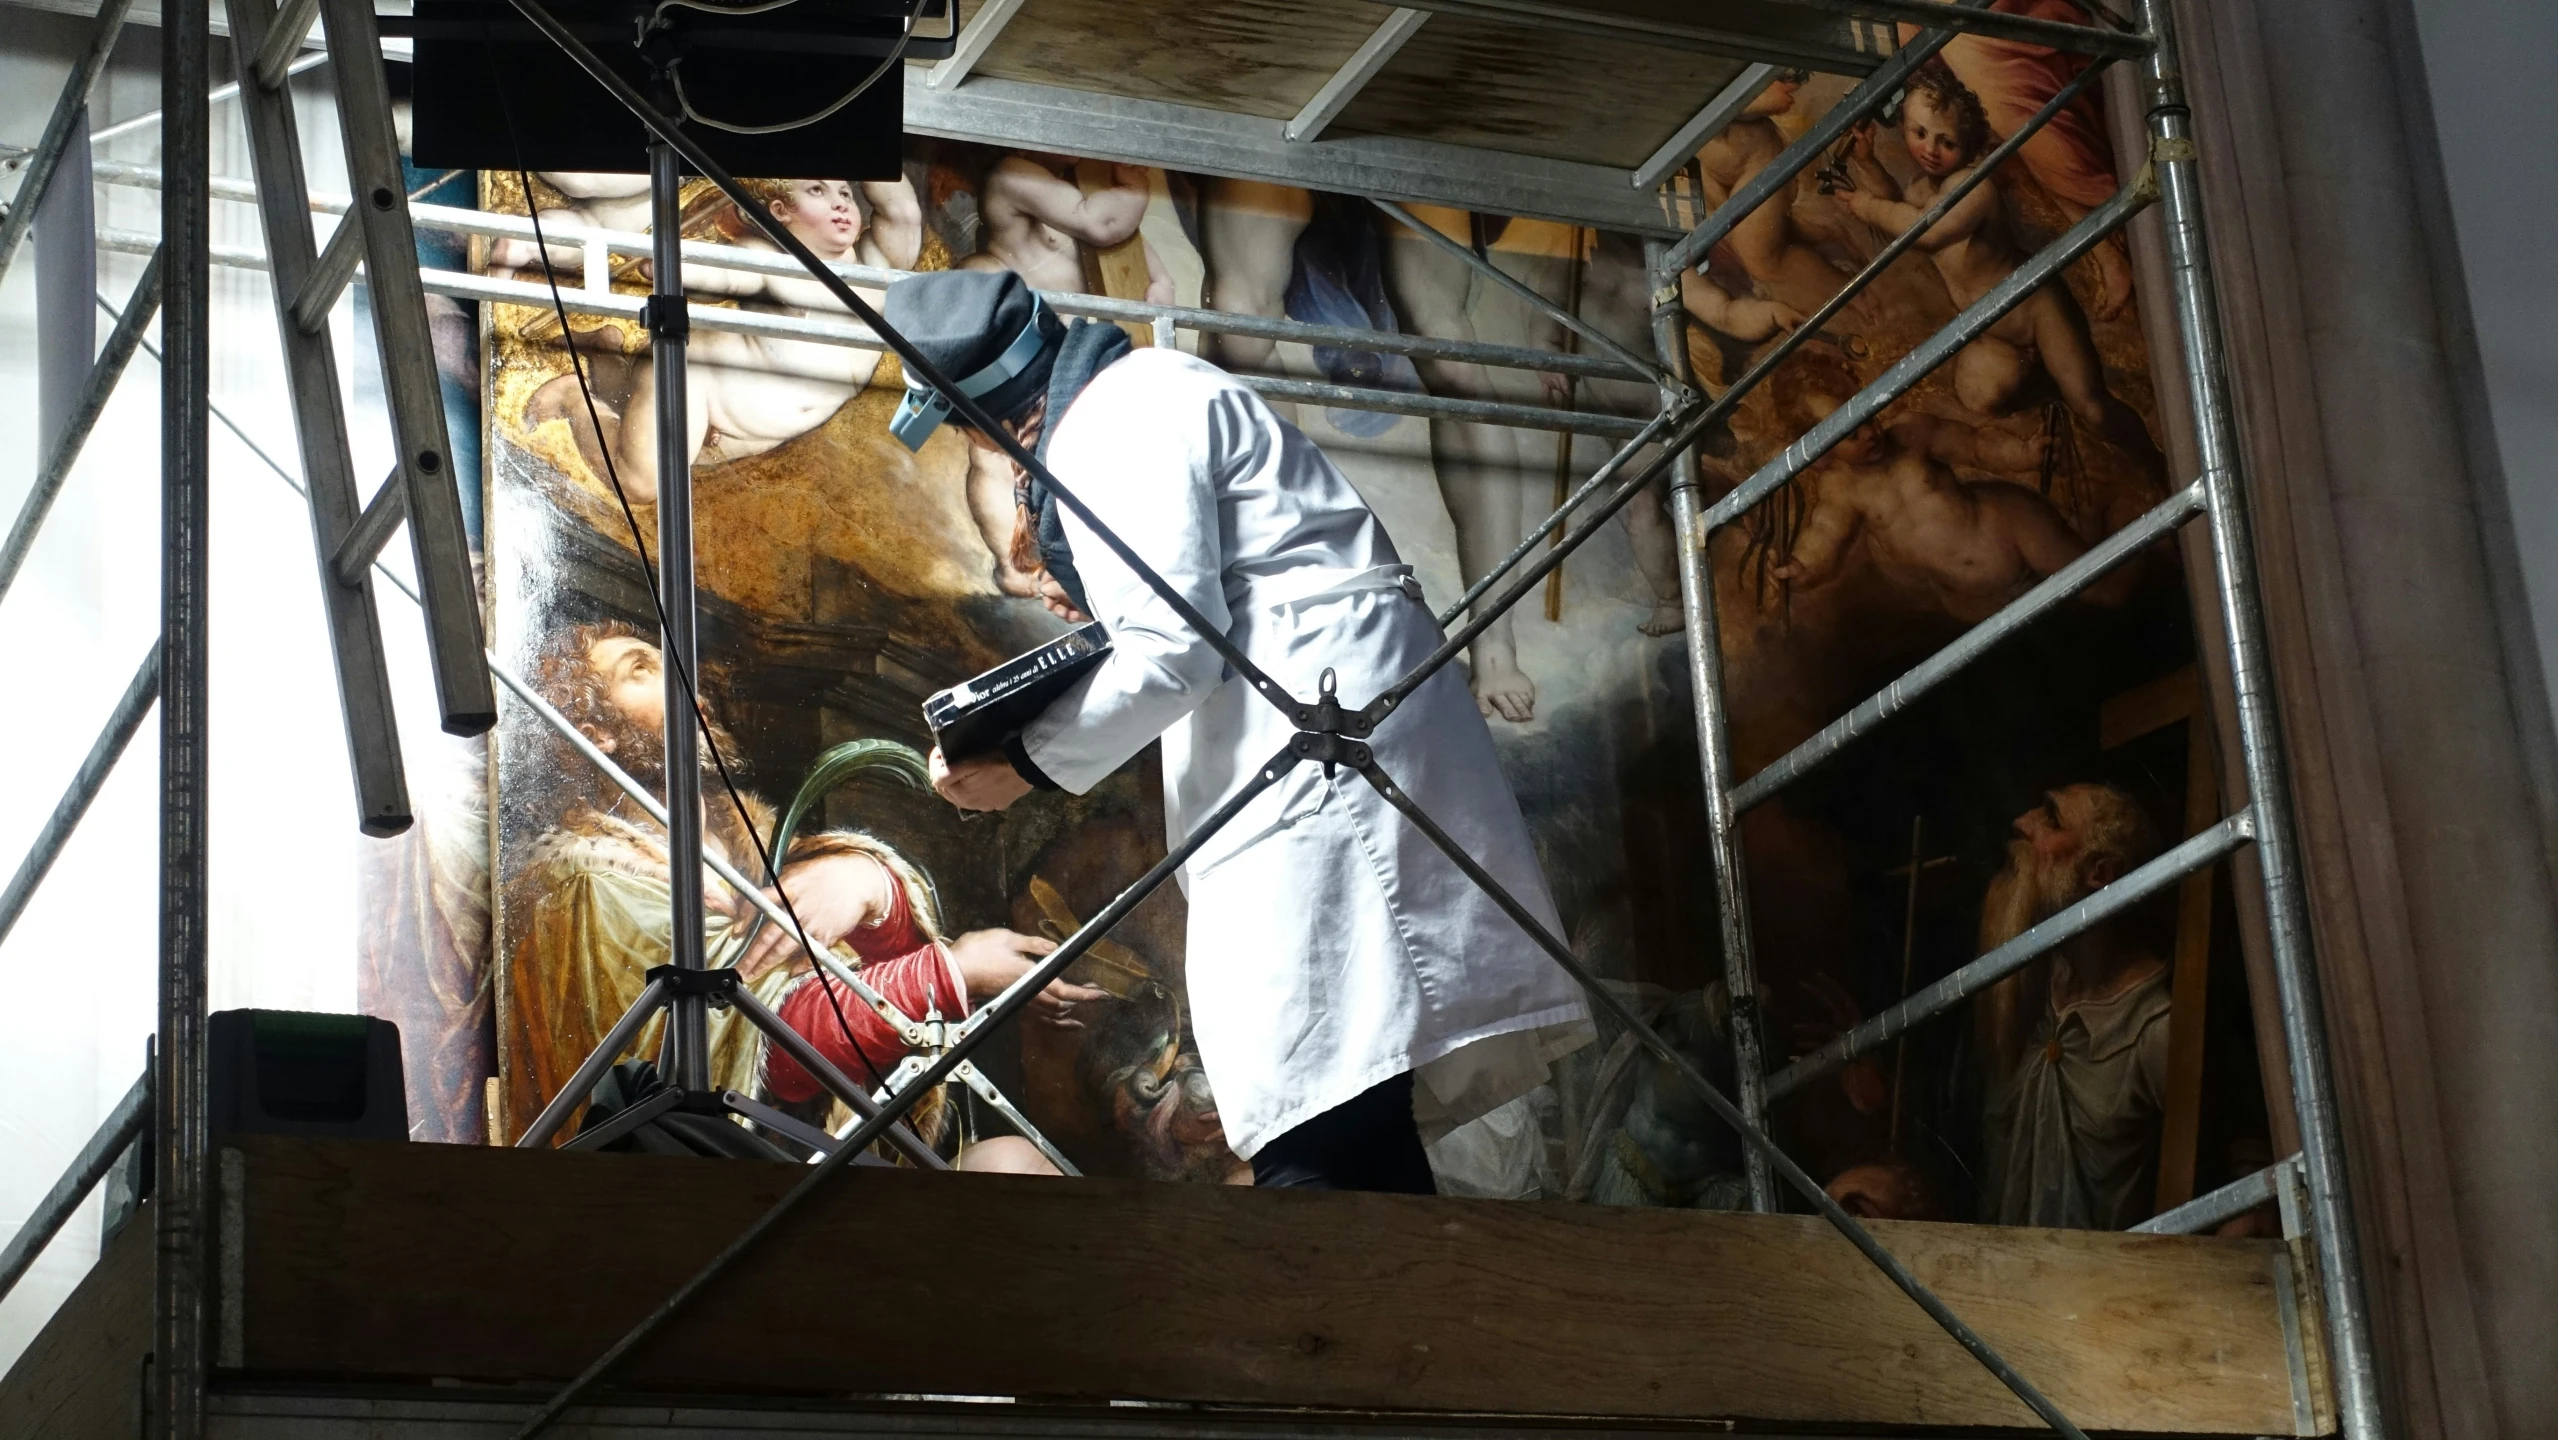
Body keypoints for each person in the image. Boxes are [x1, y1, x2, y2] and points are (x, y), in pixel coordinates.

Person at [885, 269, 1594, 1193]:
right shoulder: (1141, 400)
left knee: (1325, 1080)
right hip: (1307, 730)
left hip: (1321, 743)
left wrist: (1019, 758)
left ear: (989, 415)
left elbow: (1171, 650)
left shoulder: (1113, 420)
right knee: (1334, 1078)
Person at [503, 621, 1092, 1168]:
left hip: (811, 1163)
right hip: (711, 1203)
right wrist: (953, 970)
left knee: (1013, 1163)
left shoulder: (750, 852)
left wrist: (867, 883)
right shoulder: (589, 883)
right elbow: (759, 1041)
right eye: (640, 669)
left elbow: (868, 971)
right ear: (596, 733)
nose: (687, 681)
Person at [1833, 64, 2165, 479]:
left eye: (1946, 141)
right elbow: (1901, 217)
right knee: (1978, 395)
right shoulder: (1921, 190)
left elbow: (1926, 232)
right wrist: (1867, 165)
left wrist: (1866, 206)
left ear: (1968, 143)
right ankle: (2046, 386)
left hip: (2036, 312)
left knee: (2093, 408)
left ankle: (2156, 465)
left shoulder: (1975, 188)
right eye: (1919, 133)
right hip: (1992, 329)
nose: (1930, 149)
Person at [1765, 351, 2124, 621]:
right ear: (1820, 448)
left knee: (2102, 589)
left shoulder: (1910, 432)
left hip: (2010, 527)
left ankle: (2136, 555)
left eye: (1865, 416)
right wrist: (1803, 568)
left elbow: (1976, 445)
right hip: (1968, 595)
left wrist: (2023, 453)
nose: (1870, 433)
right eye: (1850, 435)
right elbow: (1826, 536)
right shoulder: (1840, 489)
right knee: (2050, 633)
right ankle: (2092, 523)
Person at [1973, 782, 2172, 1229]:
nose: (2023, 823)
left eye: (2051, 817)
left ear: (2098, 872)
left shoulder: (2155, 1028)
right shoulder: (2022, 992)